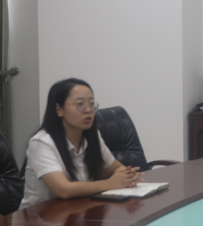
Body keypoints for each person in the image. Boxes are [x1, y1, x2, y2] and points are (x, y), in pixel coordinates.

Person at [20, 78, 142, 209]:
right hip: (40, 217)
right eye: (80, 104)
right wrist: (110, 183)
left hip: (78, 211)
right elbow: (63, 190)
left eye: (92, 103)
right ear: (59, 109)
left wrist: (127, 177)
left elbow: (117, 168)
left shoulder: (92, 136)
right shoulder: (42, 142)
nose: (88, 110)